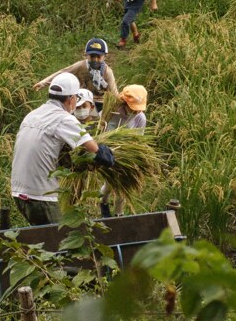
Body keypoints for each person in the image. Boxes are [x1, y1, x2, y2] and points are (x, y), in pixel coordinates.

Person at [11, 72, 115, 225]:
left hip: (18, 191)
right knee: (60, 242)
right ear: (71, 99)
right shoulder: (63, 118)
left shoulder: (33, 115)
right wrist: (105, 155)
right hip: (40, 195)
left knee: (43, 240)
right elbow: (93, 148)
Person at [99, 84, 148, 218]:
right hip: (109, 154)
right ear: (124, 103)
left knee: (123, 188)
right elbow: (100, 128)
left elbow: (138, 140)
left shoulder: (140, 118)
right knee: (109, 185)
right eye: (133, 109)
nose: (136, 112)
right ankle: (103, 202)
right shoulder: (111, 112)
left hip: (125, 156)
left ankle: (119, 215)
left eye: (139, 109)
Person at [34, 38, 118, 113]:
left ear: (104, 57)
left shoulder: (107, 72)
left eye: (98, 57)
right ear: (86, 55)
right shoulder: (81, 66)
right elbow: (62, 72)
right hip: (81, 99)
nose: (95, 60)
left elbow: (114, 92)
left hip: (100, 102)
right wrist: (43, 83)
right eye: (92, 56)